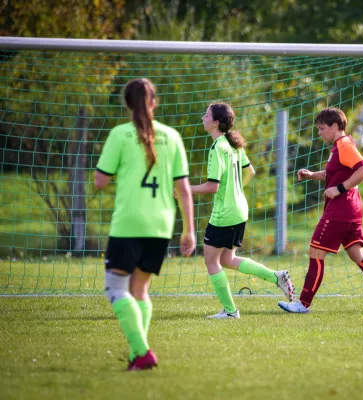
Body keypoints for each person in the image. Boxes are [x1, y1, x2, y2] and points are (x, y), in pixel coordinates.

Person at [95, 78, 196, 370]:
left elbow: (100, 181)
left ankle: (141, 351)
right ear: (154, 102)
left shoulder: (120, 134)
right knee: (140, 291)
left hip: (128, 223)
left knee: (116, 289)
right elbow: (184, 189)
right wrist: (189, 229)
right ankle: (136, 356)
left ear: (127, 104)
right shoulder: (172, 136)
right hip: (161, 225)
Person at [278, 107, 363, 314]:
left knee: (316, 252)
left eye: (322, 128)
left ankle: (303, 304)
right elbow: (333, 173)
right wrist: (311, 174)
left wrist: (340, 188)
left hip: (341, 209)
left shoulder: (343, 145)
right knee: (357, 254)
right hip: (351, 208)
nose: (320, 132)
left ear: (335, 126)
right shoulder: (340, 146)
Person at [189, 102, 295, 319]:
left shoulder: (218, 146)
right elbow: (251, 172)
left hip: (226, 213)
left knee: (211, 260)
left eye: (206, 115)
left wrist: (185, 189)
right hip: (239, 209)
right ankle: (277, 277)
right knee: (227, 259)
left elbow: (213, 186)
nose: (203, 117)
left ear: (216, 122)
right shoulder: (233, 144)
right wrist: (235, 191)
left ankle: (230, 311)